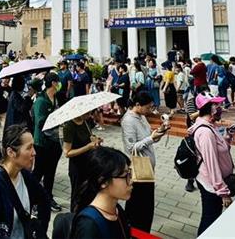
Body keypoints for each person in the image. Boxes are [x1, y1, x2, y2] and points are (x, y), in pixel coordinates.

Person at [0, 124, 50, 238]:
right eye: (29, 148)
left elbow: (44, 199)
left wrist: (40, 230)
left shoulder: (24, 175)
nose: (34, 152)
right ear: (11, 152)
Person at [189, 93, 235, 236]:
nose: (220, 108)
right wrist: (223, 192)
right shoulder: (205, 132)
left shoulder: (211, 126)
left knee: (212, 217)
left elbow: (221, 150)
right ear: (209, 109)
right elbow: (212, 163)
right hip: (211, 185)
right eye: (216, 105)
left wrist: (228, 136)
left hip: (214, 184)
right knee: (210, 220)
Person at [120, 91, 168, 235]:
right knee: (139, 205)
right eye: (148, 107)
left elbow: (148, 137)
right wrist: (151, 139)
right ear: (137, 105)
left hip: (147, 166)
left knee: (147, 205)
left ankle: (142, 231)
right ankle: (134, 231)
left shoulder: (141, 116)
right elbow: (131, 148)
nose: (149, 110)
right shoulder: (128, 120)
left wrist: (158, 133)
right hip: (138, 167)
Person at [70, 147, 132, 239]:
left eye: (130, 174)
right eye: (125, 176)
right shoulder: (89, 225)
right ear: (103, 181)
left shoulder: (117, 210)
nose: (131, 181)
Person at [32, 72, 62, 212]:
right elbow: (40, 123)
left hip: (55, 142)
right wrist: (54, 119)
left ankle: (48, 197)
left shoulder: (55, 98)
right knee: (38, 172)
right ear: (54, 83)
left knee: (51, 172)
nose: (59, 84)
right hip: (42, 143)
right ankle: (31, 198)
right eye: (58, 82)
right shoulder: (40, 101)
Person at [63, 113, 101, 212]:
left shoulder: (86, 122)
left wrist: (96, 140)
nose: (89, 114)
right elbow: (67, 152)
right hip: (77, 166)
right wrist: (87, 147)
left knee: (89, 194)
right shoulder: (69, 127)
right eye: (87, 113)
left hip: (89, 163)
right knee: (77, 196)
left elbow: (90, 137)